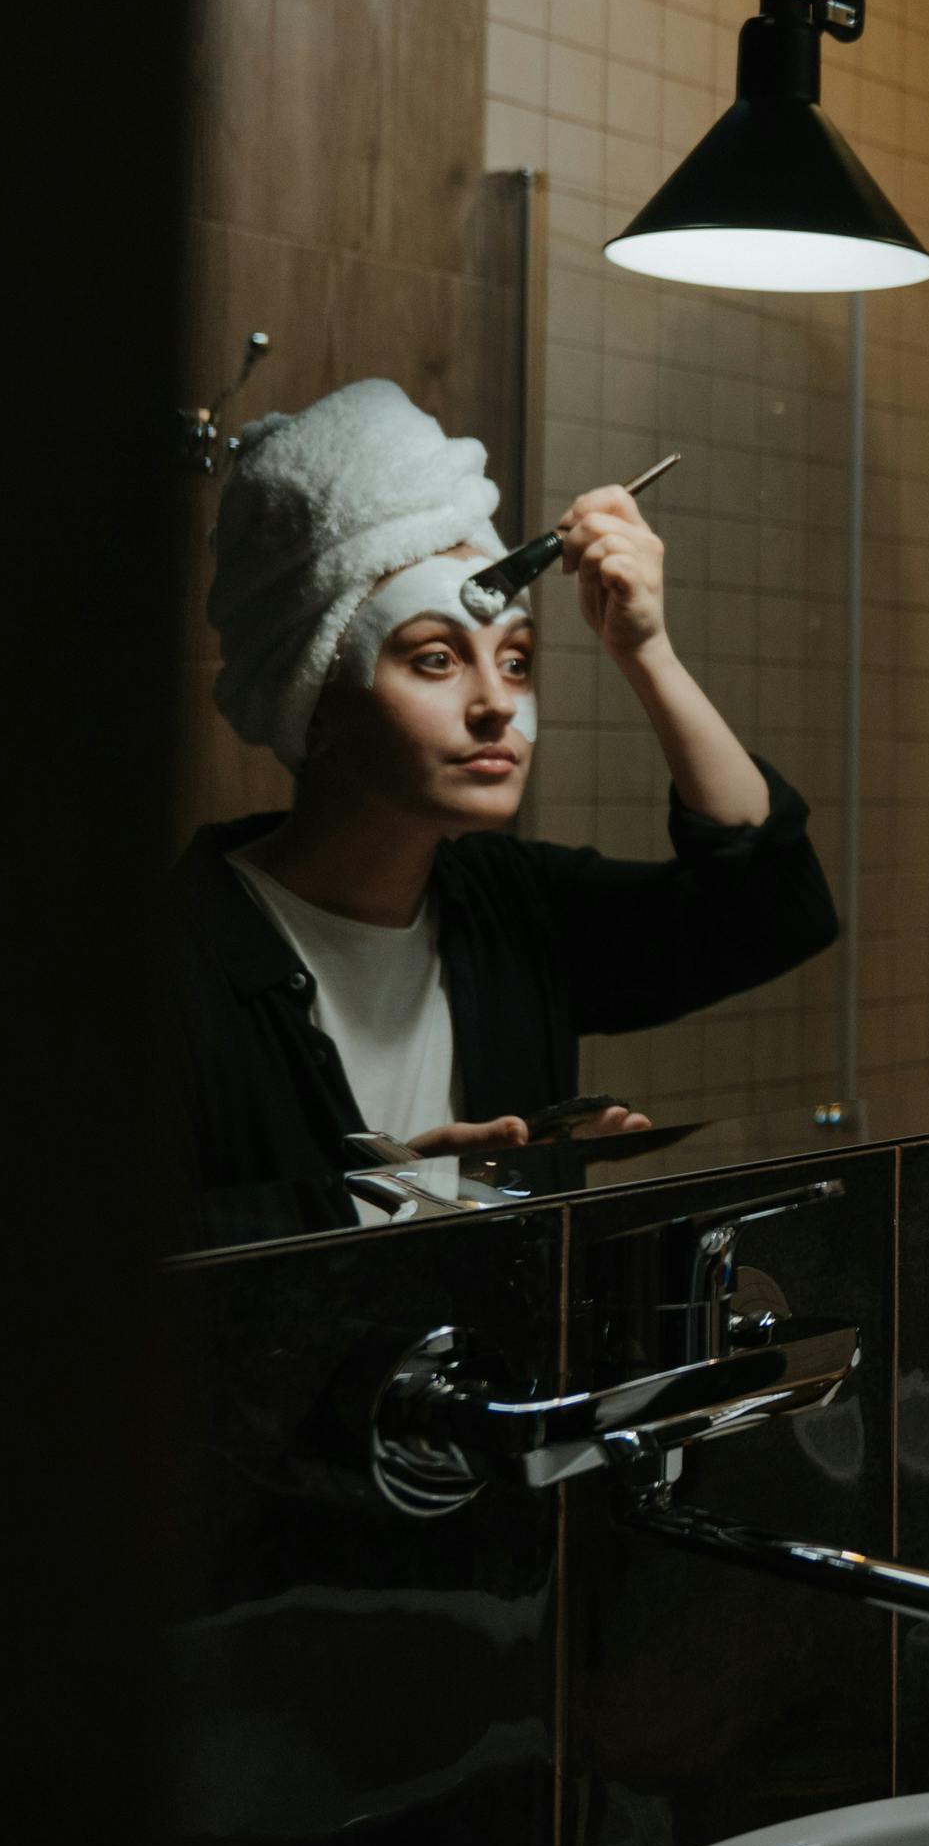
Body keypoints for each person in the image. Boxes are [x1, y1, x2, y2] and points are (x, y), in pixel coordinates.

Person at [171, 380, 837, 1244]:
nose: (496, 704)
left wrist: (647, 651)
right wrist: (368, 1206)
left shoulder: (514, 910)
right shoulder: (187, 958)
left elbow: (772, 905)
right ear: (315, 700)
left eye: (517, 660)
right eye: (438, 658)